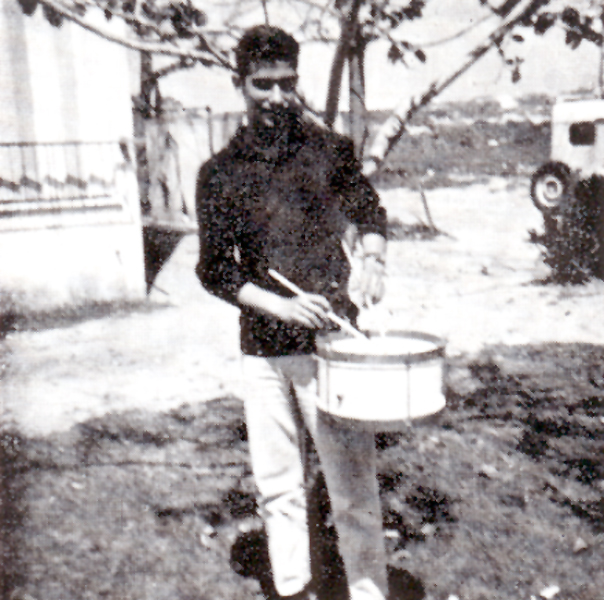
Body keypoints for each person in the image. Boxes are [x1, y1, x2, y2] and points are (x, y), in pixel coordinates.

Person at [195, 25, 389, 600]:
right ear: (240, 84)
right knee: (278, 488)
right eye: (263, 84)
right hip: (262, 352)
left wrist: (374, 260)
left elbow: (370, 211)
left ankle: (369, 593)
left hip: (329, 348)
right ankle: (293, 590)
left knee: (352, 490)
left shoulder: (330, 151)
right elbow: (215, 270)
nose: (277, 97)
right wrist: (280, 305)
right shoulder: (219, 173)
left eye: (287, 83)